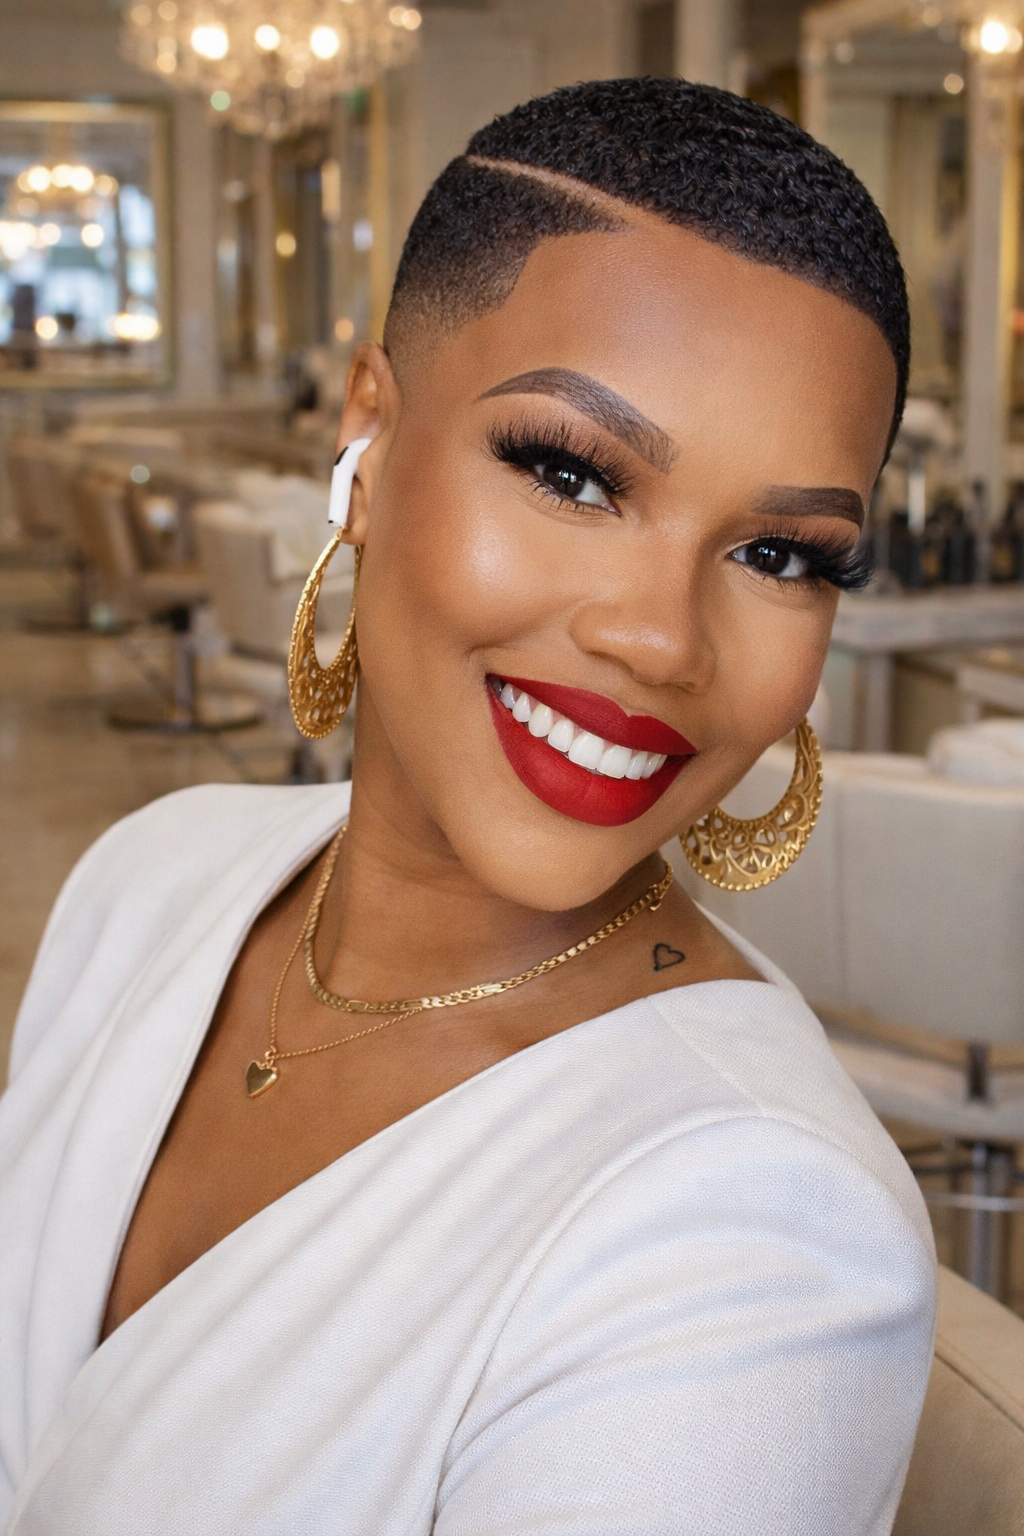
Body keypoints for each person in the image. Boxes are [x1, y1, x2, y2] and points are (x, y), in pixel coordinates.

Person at [0, 78, 935, 1535]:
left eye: (780, 554)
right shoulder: (151, 879)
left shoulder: (760, 1236)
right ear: (368, 443)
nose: (660, 641)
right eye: (573, 473)